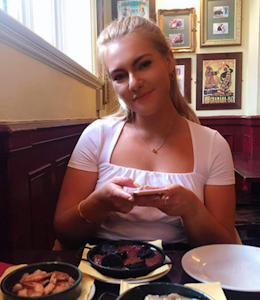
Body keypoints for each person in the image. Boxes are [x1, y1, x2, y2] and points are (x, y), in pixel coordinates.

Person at [54, 16, 238, 250]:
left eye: (143, 64)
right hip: (100, 271)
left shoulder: (213, 145)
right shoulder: (96, 136)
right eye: (119, 76)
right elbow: (63, 233)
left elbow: (224, 247)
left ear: (169, 61)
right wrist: (98, 204)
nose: (133, 83)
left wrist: (191, 209)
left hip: (181, 275)